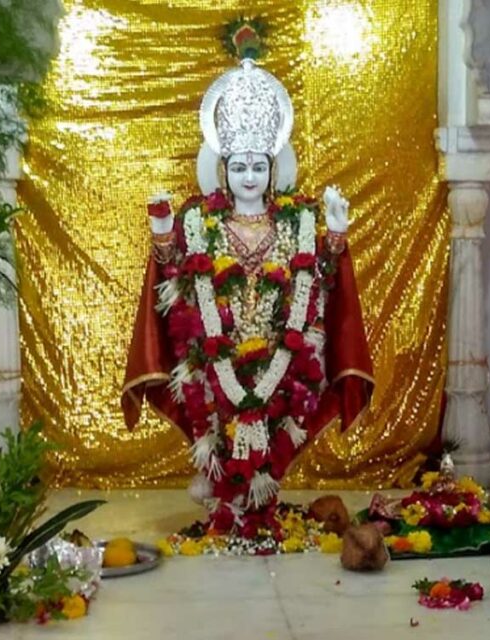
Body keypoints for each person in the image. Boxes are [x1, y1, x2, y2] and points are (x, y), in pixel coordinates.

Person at [121, 57, 373, 538]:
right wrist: (163, 233)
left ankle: (263, 503)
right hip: (219, 353)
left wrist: (337, 235)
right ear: (224, 170)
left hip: (283, 352)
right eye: (239, 167)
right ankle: (229, 506)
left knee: (282, 419)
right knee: (219, 420)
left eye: (259, 166)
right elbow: (175, 274)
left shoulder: (295, 221)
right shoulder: (201, 221)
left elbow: (320, 278)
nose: (249, 177)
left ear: (273, 169)